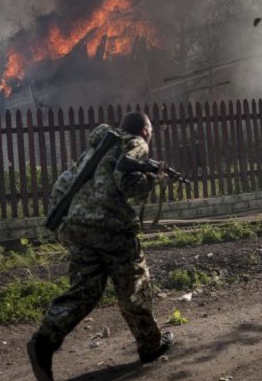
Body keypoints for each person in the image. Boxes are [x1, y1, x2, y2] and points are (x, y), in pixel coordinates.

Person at [27, 111, 173, 381]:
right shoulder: (136, 144)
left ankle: (43, 342)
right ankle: (150, 346)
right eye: (150, 129)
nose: (151, 134)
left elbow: (65, 183)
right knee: (135, 284)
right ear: (143, 130)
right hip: (111, 227)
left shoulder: (96, 149)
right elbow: (128, 185)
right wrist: (154, 179)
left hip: (77, 226)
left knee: (86, 290)